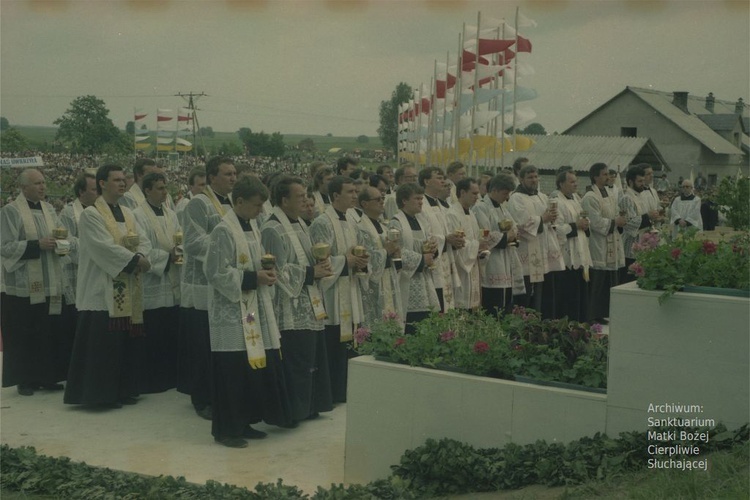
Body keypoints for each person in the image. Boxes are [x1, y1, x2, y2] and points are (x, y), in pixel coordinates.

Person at [205, 176, 291, 448]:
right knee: (232, 370)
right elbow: (216, 272)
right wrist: (255, 278)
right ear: (239, 201)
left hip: (251, 312)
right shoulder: (223, 230)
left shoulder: (251, 226)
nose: (260, 211)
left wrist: (266, 272)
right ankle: (227, 430)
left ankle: (245, 421)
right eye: (256, 205)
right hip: (231, 313)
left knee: (248, 367)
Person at [64, 164, 151, 408]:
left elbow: (143, 239)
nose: (123, 183)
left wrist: (143, 254)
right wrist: (135, 260)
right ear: (102, 183)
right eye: (116, 180)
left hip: (127, 285)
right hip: (101, 289)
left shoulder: (128, 212)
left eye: (124, 179)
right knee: (102, 346)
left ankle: (123, 389)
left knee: (122, 343)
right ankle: (97, 395)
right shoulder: (91, 214)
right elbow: (102, 247)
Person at [261, 176, 334, 422]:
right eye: (300, 196)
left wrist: (321, 263)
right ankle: (292, 411)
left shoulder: (301, 223)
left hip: (307, 300)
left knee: (310, 358)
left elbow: (307, 256)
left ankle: (310, 406)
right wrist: (313, 272)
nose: (306, 200)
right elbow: (277, 270)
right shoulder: (272, 228)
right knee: (296, 359)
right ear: (284, 200)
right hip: (287, 305)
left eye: (306, 195)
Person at [1, 169, 72, 395]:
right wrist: (36, 245)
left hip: (50, 279)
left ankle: (47, 376)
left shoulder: (50, 209)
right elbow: (4, 246)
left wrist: (62, 244)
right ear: (23, 188)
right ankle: (25, 379)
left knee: (48, 330)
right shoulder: (10, 211)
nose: (43, 187)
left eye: (43, 182)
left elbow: (63, 235)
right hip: (23, 285)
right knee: (25, 331)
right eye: (37, 183)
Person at [179, 156, 236, 420]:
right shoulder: (199, 203)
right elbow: (192, 242)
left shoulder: (236, 202)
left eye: (235, 173)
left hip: (228, 281)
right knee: (203, 344)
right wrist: (226, 252)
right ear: (212, 177)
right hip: (202, 284)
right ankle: (202, 399)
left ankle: (223, 394)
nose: (233, 178)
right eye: (227, 174)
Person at [309, 176, 366, 403]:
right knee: (334, 341)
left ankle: (346, 389)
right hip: (332, 292)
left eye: (355, 191)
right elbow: (322, 259)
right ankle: (333, 391)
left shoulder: (352, 219)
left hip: (349, 287)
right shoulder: (322, 222)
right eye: (350, 192)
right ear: (335, 196)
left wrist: (362, 261)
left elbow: (356, 251)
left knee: (350, 339)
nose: (355, 195)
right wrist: (347, 261)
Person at [132, 172, 182, 393]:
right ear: (147, 191)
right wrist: (166, 256)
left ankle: (171, 376)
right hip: (153, 279)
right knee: (153, 331)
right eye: (160, 188)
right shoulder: (136, 215)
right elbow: (139, 248)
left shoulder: (172, 214)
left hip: (172, 278)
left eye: (165, 187)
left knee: (170, 330)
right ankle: (152, 379)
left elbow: (181, 238)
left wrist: (179, 251)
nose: (164, 192)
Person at [507, 165, 565, 318]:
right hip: (527, 250)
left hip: (543, 249)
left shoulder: (542, 196)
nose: (534, 180)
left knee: (543, 293)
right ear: (521, 179)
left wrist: (552, 218)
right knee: (526, 295)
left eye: (535, 177)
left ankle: (541, 323)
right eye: (530, 177)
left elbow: (551, 219)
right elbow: (521, 223)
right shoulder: (516, 198)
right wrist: (543, 219)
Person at [57, 171, 98, 381]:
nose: (97, 193)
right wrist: (94, 248)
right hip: (75, 274)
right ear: (81, 192)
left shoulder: (100, 211)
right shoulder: (67, 213)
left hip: (97, 275)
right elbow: (64, 244)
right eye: (93, 189)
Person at [388, 183, 439, 334]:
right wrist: (422, 260)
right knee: (412, 325)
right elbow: (396, 250)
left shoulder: (421, 221)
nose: (421, 202)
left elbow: (425, 245)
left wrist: (432, 248)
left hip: (423, 278)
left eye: (422, 198)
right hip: (406, 280)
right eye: (417, 198)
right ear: (404, 201)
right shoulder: (395, 222)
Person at [581, 163, 627, 324]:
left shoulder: (608, 192)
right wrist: (616, 222)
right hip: (598, 242)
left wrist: (619, 220)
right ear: (595, 177)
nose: (608, 177)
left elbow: (613, 213)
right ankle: (591, 314)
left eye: (608, 174)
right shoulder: (590, 197)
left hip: (611, 240)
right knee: (597, 281)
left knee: (608, 280)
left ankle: (602, 312)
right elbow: (596, 222)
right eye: (605, 174)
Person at [473, 174, 525, 315]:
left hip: (506, 260)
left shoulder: (504, 208)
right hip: (492, 264)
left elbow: (514, 228)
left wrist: (514, 234)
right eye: (505, 193)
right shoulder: (481, 208)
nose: (507, 197)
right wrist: (507, 236)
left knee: (506, 304)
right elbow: (484, 234)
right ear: (494, 190)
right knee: (494, 306)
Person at [356, 186, 402, 327]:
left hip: (388, 278)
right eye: (378, 199)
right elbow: (366, 260)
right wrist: (386, 251)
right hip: (373, 286)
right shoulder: (361, 228)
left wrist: (395, 252)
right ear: (365, 204)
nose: (382, 201)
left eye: (382, 198)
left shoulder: (382, 226)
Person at [418, 166, 462, 312]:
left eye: (444, 178)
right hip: (433, 263)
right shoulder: (421, 205)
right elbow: (424, 235)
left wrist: (454, 239)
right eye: (439, 178)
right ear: (426, 181)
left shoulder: (443, 205)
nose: (443, 181)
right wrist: (445, 239)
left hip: (446, 260)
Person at [551, 170, 592, 321]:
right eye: (572, 182)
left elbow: (583, 218)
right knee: (568, 294)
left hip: (580, 250)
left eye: (576, 181)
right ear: (561, 184)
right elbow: (555, 228)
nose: (576, 184)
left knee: (580, 293)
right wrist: (576, 226)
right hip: (566, 255)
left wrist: (586, 224)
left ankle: (581, 323)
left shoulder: (576, 198)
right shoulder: (556, 201)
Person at [446, 178, 483, 310]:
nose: (477, 197)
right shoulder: (452, 214)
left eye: (478, 193)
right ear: (462, 192)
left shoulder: (471, 213)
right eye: (474, 193)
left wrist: (481, 246)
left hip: (473, 265)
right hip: (460, 266)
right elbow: (458, 243)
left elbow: (475, 239)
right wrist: (478, 246)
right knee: (461, 306)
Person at [621, 165, 660, 284]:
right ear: (630, 182)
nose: (643, 184)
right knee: (630, 280)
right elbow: (629, 223)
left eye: (643, 181)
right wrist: (648, 216)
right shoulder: (627, 198)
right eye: (639, 181)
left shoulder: (641, 196)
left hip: (643, 243)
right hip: (631, 245)